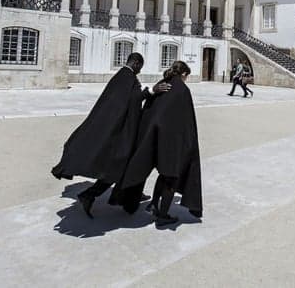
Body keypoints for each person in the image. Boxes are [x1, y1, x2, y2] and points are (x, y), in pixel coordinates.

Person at [51, 52, 169, 216]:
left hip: (118, 130)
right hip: (118, 133)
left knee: (121, 166)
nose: (140, 71)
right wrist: (151, 91)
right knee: (116, 168)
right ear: (135, 63)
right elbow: (132, 100)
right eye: (139, 67)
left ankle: (129, 194)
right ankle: (89, 195)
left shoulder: (123, 76)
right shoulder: (126, 77)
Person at [121, 61, 203, 227]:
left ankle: (153, 205)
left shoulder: (162, 84)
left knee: (164, 174)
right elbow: (186, 121)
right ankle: (162, 215)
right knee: (171, 176)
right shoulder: (182, 90)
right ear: (184, 74)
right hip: (172, 141)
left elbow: (149, 110)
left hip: (154, 138)